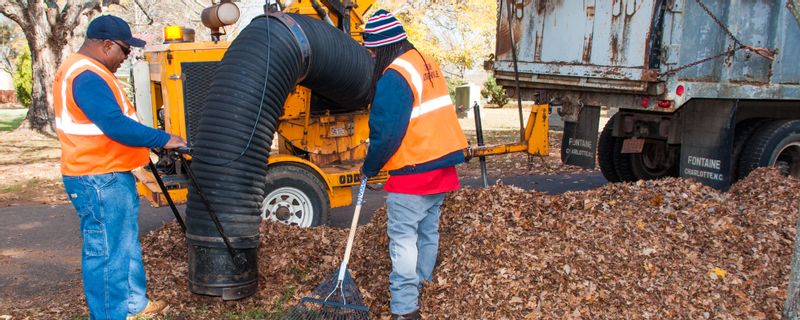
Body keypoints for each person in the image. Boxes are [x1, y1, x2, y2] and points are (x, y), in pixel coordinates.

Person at [53, 15, 185, 319]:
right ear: (106, 45)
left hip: (108, 173)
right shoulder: (86, 76)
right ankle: (112, 315)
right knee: (107, 253)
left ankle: (134, 306)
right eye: (124, 51)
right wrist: (164, 139)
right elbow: (114, 125)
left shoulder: (88, 70)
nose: (126, 58)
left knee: (123, 245)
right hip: (98, 178)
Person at [360, 9, 469, 320]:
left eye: (371, 51)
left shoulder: (395, 75)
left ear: (382, 47)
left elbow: (387, 132)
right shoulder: (424, 61)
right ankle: (424, 284)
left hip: (414, 172)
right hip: (441, 166)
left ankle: (405, 309)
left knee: (403, 242)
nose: (370, 58)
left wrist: (369, 166)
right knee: (427, 233)